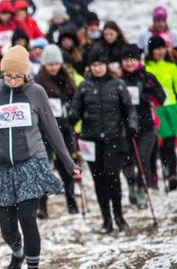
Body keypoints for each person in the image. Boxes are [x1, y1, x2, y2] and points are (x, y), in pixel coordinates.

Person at [0, 45, 81, 269]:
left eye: (17, 76)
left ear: (26, 75)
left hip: (30, 163)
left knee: (27, 219)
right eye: (8, 76)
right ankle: (18, 252)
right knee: (7, 228)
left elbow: (52, 130)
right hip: (0, 167)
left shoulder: (36, 93)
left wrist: (70, 163)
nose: (12, 81)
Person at [69, 47, 138, 233]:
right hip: (91, 140)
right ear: (90, 67)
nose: (98, 68)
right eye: (94, 65)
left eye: (100, 64)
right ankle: (106, 220)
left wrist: (132, 125)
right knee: (99, 180)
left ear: (106, 66)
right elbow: (75, 107)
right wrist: (73, 115)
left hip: (114, 138)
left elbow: (129, 109)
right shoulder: (84, 86)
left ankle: (119, 216)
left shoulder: (118, 84)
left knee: (112, 177)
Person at [35, 45, 79, 216]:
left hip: (64, 129)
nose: (53, 67)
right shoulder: (38, 82)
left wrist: (72, 110)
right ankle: (42, 204)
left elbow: (75, 99)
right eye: (50, 64)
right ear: (44, 65)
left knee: (66, 166)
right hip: (43, 131)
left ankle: (71, 199)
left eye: (56, 63)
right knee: (44, 167)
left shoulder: (67, 79)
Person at [120, 44, 166, 208]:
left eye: (132, 59)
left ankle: (141, 190)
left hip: (146, 126)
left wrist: (150, 92)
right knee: (126, 160)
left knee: (142, 158)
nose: (129, 63)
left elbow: (161, 98)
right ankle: (131, 184)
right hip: (126, 127)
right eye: (126, 59)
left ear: (138, 60)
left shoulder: (148, 77)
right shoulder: (119, 80)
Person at [144, 36, 177, 191]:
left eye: (162, 48)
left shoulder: (171, 67)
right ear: (151, 51)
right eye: (156, 49)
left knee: (170, 143)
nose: (160, 52)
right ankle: (159, 174)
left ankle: (172, 173)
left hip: (171, 108)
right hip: (156, 110)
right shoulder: (147, 69)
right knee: (160, 144)